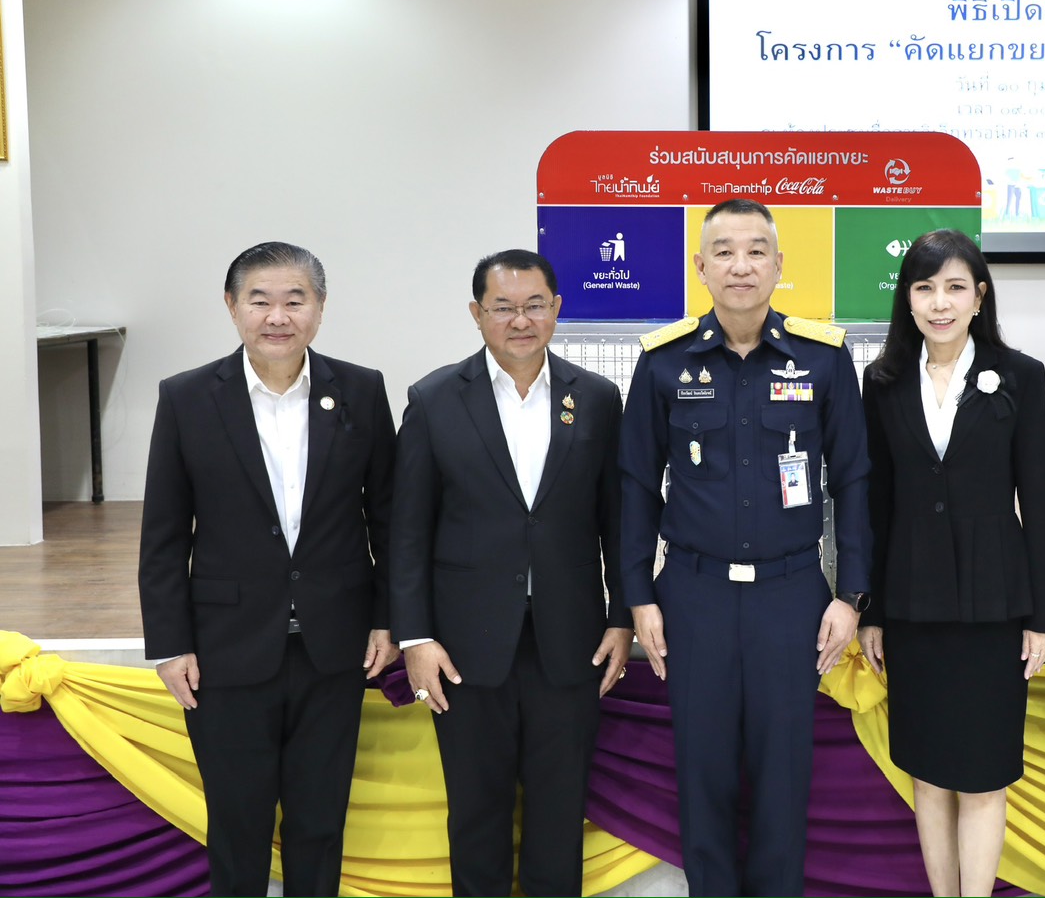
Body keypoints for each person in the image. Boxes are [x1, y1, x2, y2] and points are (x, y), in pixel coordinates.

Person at [619, 198, 872, 897]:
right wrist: (638, 594)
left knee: (783, 775)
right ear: (700, 267)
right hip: (692, 594)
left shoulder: (822, 358)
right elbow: (635, 484)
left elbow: (854, 479)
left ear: (779, 264)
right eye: (724, 251)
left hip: (790, 595)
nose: (741, 265)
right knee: (701, 771)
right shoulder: (663, 361)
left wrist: (851, 595)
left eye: (756, 250)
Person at [138, 241, 397, 896]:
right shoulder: (188, 397)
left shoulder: (361, 391)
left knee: (320, 821)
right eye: (260, 300)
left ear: (320, 307)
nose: (278, 316)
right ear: (232, 307)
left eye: (294, 300)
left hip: (333, 645)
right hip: (225, 649)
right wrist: (169, 642)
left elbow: (390, 520)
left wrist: (387, 618)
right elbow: (163, 535)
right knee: (237, 823)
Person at [388, 249, 630, 897]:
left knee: (559, 814)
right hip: (462, 645)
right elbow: (406, 531)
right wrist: (415, 636)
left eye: (533, 305)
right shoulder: (434, 399)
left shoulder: (597, 398)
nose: (519, 320)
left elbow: (617, 520)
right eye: (502, 307)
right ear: (477, 313)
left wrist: (621, 617)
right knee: (475, 813)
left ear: (556, 308)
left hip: (570, 639)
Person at [856, 229, 1045, 897]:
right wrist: (872, 612)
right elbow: (876, 503)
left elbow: (1041, 501)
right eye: (924, 288)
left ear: (979, 296)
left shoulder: (1020, 374)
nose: (939, 302)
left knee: (982, 777)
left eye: (953, 287)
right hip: (912, 606)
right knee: (927, 774)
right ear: (907, 300)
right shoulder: (883, 382)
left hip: (993, 605)